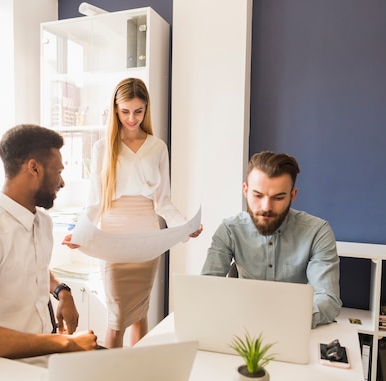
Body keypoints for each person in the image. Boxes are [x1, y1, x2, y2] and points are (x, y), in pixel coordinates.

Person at [63, 78, 202, 348]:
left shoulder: (158, 147)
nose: (131, 118)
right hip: (113, 240)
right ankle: (111, 380)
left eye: (138, 111)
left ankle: (137, 375)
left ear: (146, 109)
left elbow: (163, 202)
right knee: (116, 319)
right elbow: (94, 203)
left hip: (148, 242)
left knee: (140, 314)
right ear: (115, 109)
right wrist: (79, 233)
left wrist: (184, 226)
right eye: (125, 111)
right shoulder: (103, 147)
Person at [0, 124, 98, 360]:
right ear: (34, 168)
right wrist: (64, 343)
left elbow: (32, 269)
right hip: (4, 369)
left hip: (43, 359)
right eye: (58, 172)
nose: (62, 183)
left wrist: (63, 292)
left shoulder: (43, 223)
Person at [201, 151, 341, 328]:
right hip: (242, 326)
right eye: (258, 195)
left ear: (293, 195)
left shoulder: (317, 232)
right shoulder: (230, 230)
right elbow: (207, 289)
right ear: (245, 190)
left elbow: (328, 299)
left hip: (294, 326)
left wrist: (288, 320)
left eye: (278, 197)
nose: (266, 207)